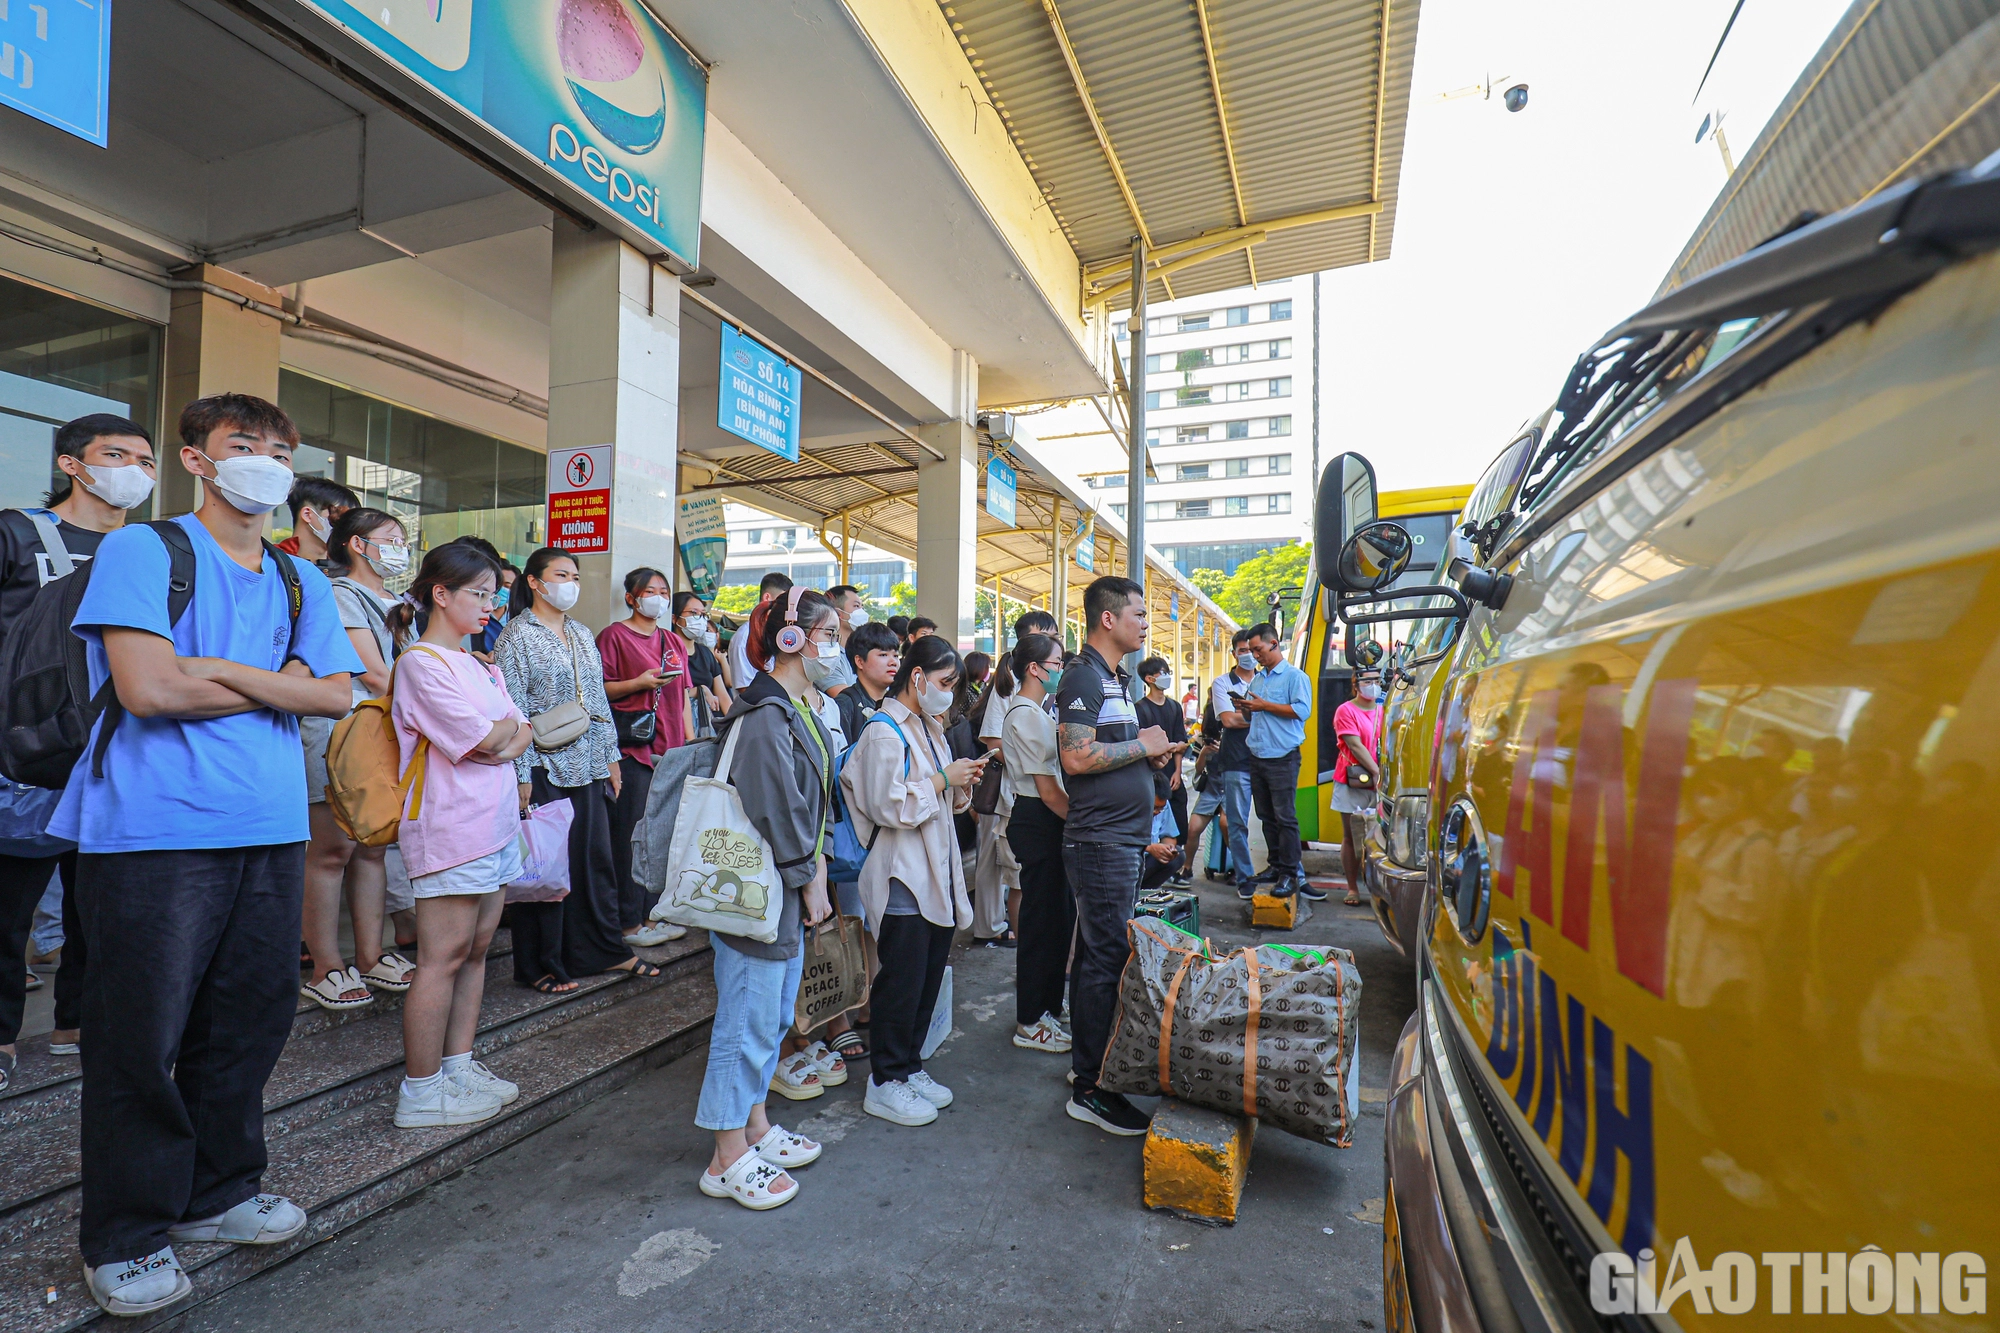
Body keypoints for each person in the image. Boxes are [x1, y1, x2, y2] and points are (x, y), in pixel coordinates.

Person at [50, 393, 362, 1317]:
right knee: (138, 1036)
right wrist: (273, 684)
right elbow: (147, 689)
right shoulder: (146, 549)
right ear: (197, 459)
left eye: (278, 448)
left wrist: (215, 671)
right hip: (153, 828)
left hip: (268, 826)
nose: (262, 462)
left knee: (249, 1020)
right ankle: (127, 1231)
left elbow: (338, 694)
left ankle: (219, 1190)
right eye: (242, 445)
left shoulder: (299, 577)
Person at [0, 414, 157, 1086]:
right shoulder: (18, 533)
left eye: (146, 460)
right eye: (115, 454)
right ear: (72, 463)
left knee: (103, 902)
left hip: (125, 747)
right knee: (10, 903)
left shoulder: (156, 548)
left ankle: (78, 1021)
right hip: (29, 746)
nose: (134, 470)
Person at [695, 586, 837, 1211]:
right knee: (747, 1020)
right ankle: (725, 1155)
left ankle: (752, 1124)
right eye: (829, 633)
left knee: (773, 1015)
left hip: (785, 883)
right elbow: (779, 805)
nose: (838, 644)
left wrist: (813, 871)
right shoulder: (765, 715)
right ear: (790, 639)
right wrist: (810, 876)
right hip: (766, 888)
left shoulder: (797, 708)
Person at [387, 544, 533, 1128]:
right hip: (449, 827)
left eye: (494, 594)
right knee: (441, 957)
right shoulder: (420, 663)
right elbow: (486, 741)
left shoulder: (480, 663)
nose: (491, 604)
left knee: (475, 953)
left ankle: (458, 1064)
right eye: (480, 593)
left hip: (493, 823)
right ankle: (420, 1090)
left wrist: (506, 735)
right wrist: (506, 735)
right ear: (440, 595)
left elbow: (519, 734)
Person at [496, 548, 659, 994]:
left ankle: (606, 951)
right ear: (534, 581)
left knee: (594, 861)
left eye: (575, 575)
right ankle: (541, 963)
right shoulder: (515, 636)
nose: (570, 582)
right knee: (549, 868)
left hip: (589, 764)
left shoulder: (581, 633)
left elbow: (598, 702)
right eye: (560, 574)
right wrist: (522, 773)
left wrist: (611, 758)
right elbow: (512, 710)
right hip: (545, 765)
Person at [842, 632, 985, 1127]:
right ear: (918, 677)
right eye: (945, 681)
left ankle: (908, 1066)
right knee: (901, 980)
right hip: (903, 872)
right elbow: (887, 804)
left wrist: (960, 785)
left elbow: (941, 796)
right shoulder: (884, 730)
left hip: (935, 868)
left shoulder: (929, 726)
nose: (949, 692)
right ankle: (884, 1080)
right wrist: (945, 781)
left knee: (926, 977)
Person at [1055, 576, 1177, 1136]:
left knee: (1105, 957)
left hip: (1121, 839)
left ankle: (1097, 1066)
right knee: (1103, 961)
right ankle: (1091, 1088)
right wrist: (1144, 746)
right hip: (1100, 842)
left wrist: (1149, 759)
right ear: (1109, 619)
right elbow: (1076, 758)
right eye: (1139, 613)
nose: (1146, 623)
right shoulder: (1082, 675)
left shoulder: (1116, 680)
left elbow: (1109, 751)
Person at [298, 508, 415, 1011]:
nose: (399, 549)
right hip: (339, 734)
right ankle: (326, 964)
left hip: (379, 737)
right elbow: (375, 675)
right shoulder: (341, 595)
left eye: (403, 540)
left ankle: (371, 955)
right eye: (389, 539)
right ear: (356, 545)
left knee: (371, 848)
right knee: (330, 852)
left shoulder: (398, 601)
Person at [599, 567, 693, 950]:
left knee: (663, 836)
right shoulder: (614, 636)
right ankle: (627, 922)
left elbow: (684, 696)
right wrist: (639, 683)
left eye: (664, 591)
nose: (658, 597)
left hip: (671, 752)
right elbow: (598, 689)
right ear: (632, 598)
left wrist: (689, 745)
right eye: (650, 591)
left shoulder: (672, 639)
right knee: (630, 837)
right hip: (633, 750)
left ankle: (653, 914)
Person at [1002, 632, 1071, 1055]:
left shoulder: (1039, 711)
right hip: (1039, 818)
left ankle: (1046, 1007)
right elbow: (1047, 790)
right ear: (1035, 668)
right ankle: (1029, 1020)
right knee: (1041, 924)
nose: (1060, 670)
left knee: (1057, 920)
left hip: (1048, 817)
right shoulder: (1025, 715)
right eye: (1057, 663)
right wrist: (1085, 823)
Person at [1239, 623, 1314, 899]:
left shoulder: (1295, 677)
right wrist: (1246, 708)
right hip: (1258, 755)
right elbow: (1254, 716)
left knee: (1285, 818)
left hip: (1282, 757)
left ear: (1274, 643)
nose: (1254, 655)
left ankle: (1290, 875)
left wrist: (1263, 706)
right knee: (1266, 816)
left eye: (1258, 649)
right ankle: (1275, 866)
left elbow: (1301, 711)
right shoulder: (1258, 680)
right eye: (1251, 651)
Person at [1329, 666, 1384, 908]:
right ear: (1356, 683)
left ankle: (1378, 889)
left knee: (1381, 837)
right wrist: (1375, 771)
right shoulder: (1345, 711)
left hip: (1381, 782)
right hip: (1352, 780)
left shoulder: (1385, 710)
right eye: (1368, 680)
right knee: (1350, 836)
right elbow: (1354, 745)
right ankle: (1353, 887)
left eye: (1377, 680)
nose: (1373, 684)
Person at [1134, 655, 1190, 886]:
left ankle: (1172, 863)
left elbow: (1182, 742)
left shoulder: (1174, 706)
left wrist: (1177, 771)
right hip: (1153, 777)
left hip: (1172, 776)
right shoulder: (1141, 709)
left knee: (1178, 823)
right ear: (1149, 679)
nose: (1166, 677)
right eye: (1161, 673)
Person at [727, 571, 793, 690]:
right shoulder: (744, 637)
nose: (786, 607)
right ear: (767, 597)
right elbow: (745, 689)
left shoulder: (779, 633)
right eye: (783, 601)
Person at [674, 591, 730, 732]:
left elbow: (723, 696)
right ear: (675, 618)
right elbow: (669, 695)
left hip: (710, 729)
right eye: (693, 613)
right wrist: (701, 690)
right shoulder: (668, 653)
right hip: (680, 728)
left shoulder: (705, 653)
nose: (700, 619)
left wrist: (735, 725)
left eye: (703, 614)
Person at [275, 475, 359, 563]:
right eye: (338, 517)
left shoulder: (350, 568)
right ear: (307, 514)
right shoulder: (271, 561)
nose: (347, 528)